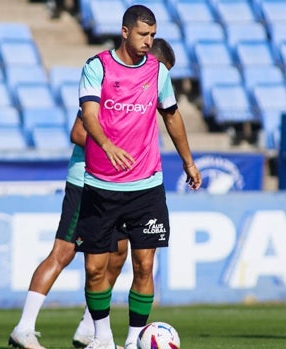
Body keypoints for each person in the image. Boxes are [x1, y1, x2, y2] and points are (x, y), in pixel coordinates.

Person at [8, 37, 177, 349]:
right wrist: (116, 149)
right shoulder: (107, 81)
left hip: (127, 184)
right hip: (88, 182)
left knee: (119, 255)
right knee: (64, 252)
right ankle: (24, 327)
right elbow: (78, 132)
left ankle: (90, 330)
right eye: (161, 70)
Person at [76, 5, 201, 349]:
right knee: (95, 270)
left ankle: (133, 342)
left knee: (144, 265)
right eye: (144, 34)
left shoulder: (158, 73)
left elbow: (172, 117)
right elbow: (88, 114)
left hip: (146, 186)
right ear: (126, 31)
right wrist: (105, 144)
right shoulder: (97, 67)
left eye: (153, 35)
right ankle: (102, 338)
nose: (149, 41)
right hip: (101, 185)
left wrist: (188, 162)